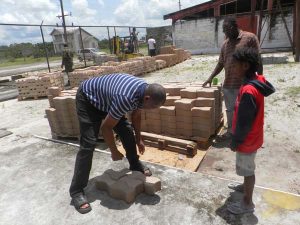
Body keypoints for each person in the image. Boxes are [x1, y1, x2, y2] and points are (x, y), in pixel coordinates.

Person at [69, 73, 166, 214]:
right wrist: (114, 150)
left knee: (126, 131)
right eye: (152, 107)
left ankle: (134, 163)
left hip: (108, 102)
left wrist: (139, 139)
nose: (152, 110)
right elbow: (106, 128)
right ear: (147, 98)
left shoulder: (143, 91)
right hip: (89, 100)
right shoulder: (126, 98)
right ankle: (76, 191)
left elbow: (136, 116)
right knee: (88, 145)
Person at [226, 47, 275, 214]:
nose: (233, 68)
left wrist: (235, 140)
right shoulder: (257, 80)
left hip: (246, 140)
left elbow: (244, 122)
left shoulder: (248, 91)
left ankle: (247, 203)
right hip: (254, 137)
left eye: (236, 65)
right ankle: (245, 187)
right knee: (247, 168)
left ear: (245, 66)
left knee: (248, 171)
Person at [203, 16, 263, 140]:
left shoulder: (250, 38)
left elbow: (258, 59)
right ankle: (231, 132)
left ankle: (246, 135)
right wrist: (210, 78)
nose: (225, 32)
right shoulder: (225, 44)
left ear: (235, 26)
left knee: (246, 110)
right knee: (230, 110)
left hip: (245, 84)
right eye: (223, 30)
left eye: (227, 29)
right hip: (229, 84)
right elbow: (220, 63)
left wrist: (259, 81)